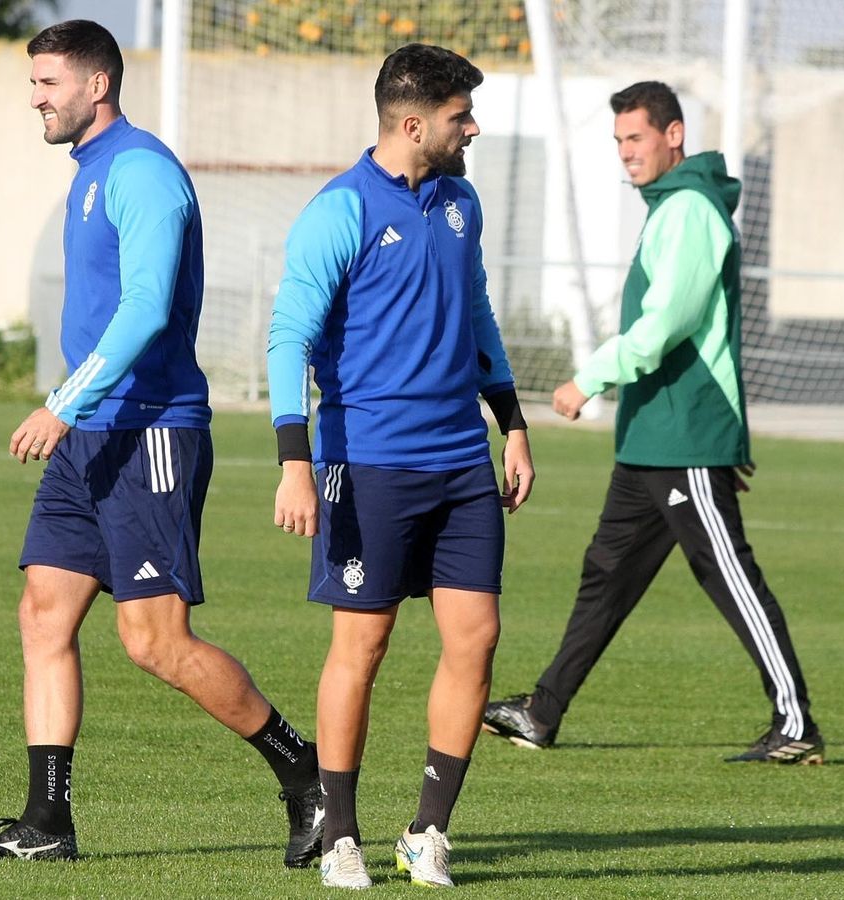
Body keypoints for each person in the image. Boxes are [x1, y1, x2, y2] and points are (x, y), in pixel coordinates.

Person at [0, 19, 323, 868]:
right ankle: (48, 824)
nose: (35, 99)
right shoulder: (89, 173)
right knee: (44, 613)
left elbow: (149, 307)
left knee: (155, 642)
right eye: (33, 83)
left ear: (98, 85)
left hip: (149, 431)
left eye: (48, 83)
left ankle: (305, 773)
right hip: (93, 437)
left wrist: (63, 404)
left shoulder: (144, 172)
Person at [480, 81, 821, 764]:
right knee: (605, 575)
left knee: (727, 574)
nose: (625, 154)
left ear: (673, 134)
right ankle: (543, 711)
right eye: (618, 142)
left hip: (682, 431)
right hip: (653, 435)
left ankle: (796, 724)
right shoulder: (671, 206)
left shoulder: (691, 208)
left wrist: (587, 379)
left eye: (635, 138)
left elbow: (670, 323)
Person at [266, 43, 534, 890]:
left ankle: (426, 831)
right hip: (367, 462)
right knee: (365, 643)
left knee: (477, 639)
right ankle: (341, 834)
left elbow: (477, 312)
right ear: (414, 123)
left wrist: (513, 423)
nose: (474, 128)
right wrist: (293, 462)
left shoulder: (462, 203)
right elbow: (288, 341)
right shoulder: (338, 210)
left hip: (460, 461)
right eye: (462, 116)